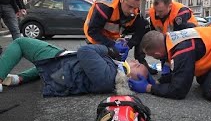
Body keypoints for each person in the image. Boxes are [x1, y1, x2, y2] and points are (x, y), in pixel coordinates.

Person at [0, 37, 150, 96]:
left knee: (21, 43)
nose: (135, 62)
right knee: (42, 66)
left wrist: (109, 50)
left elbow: (85, 51)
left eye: (137, 66)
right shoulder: (113, 74)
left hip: (60, 64)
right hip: (65, 67)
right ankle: (19, 79)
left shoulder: (108, 76)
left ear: (131, 78)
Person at [83, 0, 153, 73]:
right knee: (101, 67)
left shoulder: (134, 10)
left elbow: (140, 28)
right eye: (130, 7)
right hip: (95, 36)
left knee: (145, 25)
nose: (132, 11)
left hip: (113, 35)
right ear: (121, 0)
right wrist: (112, 44)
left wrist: (129, 45)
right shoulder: (104, 8)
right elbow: (93, 31)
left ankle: (141, 60)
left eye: (135, 8)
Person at [148, 0, 198, 76]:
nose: (157, 14)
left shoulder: (181, 13)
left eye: (160, 11)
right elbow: (156, 35)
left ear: (170, 6)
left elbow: (178, 42)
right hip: (168, 41)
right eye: (156, 10)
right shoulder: (153, 12)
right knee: (166, 75)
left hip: (190, 40)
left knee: (177, 69)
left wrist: (168, 62)